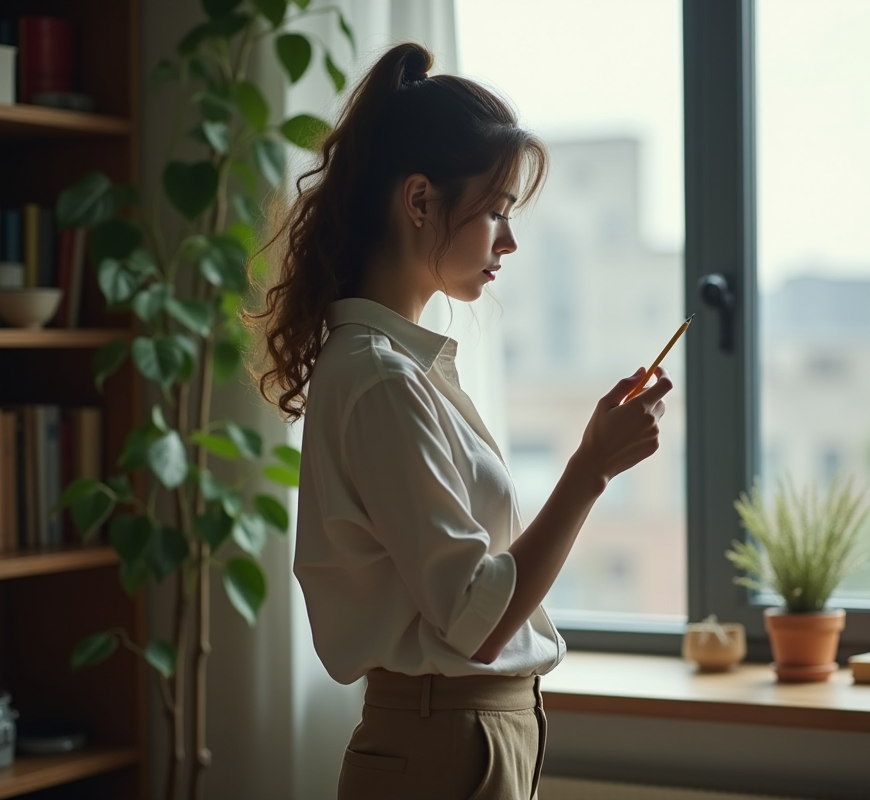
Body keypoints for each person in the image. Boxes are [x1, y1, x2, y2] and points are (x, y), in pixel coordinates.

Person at [247, 41, 673, 799]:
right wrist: (589, 470)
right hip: (443, 745)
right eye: (496, 214)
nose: (507, 242)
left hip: (467, 737)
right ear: (419, 202)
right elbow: (476, 623)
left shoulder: (401, 373)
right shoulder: (381, 382)